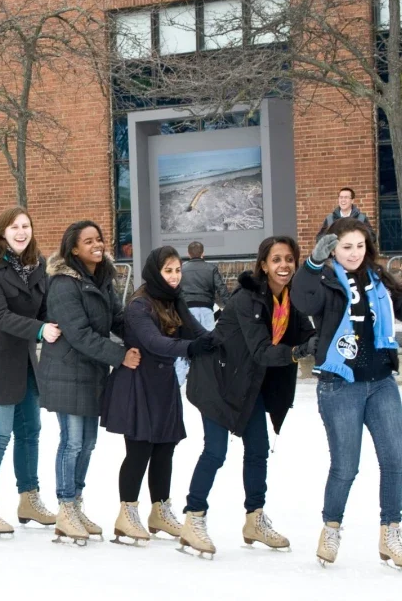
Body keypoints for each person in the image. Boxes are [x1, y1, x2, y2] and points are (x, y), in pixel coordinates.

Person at [180, 236, 317, 558]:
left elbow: (305, 331)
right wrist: (299, 352)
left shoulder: (290, 299)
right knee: (215, 451)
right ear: (264, 265)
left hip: (246, 383)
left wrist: (318, 338)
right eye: (276, 259)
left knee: (258, 450)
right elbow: (261, 350)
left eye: (289, 259)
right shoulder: (248, 299)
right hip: (216, 379)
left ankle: (254, 519)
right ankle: (193, 518)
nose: (283, 265)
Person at [293, 218, 402, 568]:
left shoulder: (378, 279)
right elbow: (302, 302)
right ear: (333, 249)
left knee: (396, 460)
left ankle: (391, 531)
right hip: (340, 384)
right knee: (345, 466)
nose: (354, 253)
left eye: (359, 246)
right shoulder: (324, 280)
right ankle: (332, 526)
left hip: (381, 381)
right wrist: (311, 264)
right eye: (346, 247)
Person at [100, 246, 215, 545]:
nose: (175, 276)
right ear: (155, 272)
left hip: (163, 383)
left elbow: (196, 332)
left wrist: (221, 340)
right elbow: (154, 342)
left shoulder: (174, 299)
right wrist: (189, 348)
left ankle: (159, 510)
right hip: (138, 381)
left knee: (165, 448)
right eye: (168, 270)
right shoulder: (140, 305)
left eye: (177, 270)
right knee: (139, 450)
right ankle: (127, 513)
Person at [39, 220, 138, 545]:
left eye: (99, 239)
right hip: (66, 371)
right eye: (89, 241)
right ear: (74, 249)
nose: (98, 244)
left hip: (92, 372)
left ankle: (76, 505)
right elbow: (78, 333)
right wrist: (119, 355)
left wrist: (143, 336)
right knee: (72, 442)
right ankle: (65, 508)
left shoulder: (102, 278)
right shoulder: (64, 284)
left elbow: (117, 317)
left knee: (88, 443)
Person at [0, 207, 60, 536]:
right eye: (14, 227)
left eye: (26, 226)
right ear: (2, 232)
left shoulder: (39, 265)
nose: (21, 232)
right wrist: (40, 330)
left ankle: (29, 498)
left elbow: (46, 308)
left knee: (30, 431)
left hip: (25, 364)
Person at [175, 241, 231, 385]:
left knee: (185, 345)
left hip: (187, 311)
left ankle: (178, 382)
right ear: (202, 253)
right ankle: (210, 379)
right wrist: (230, 307)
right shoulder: (211, 269)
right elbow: (221, 289)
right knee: (209, 344)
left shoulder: (182, 270)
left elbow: (176, 291)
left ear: (188, 254)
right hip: (206, 310)